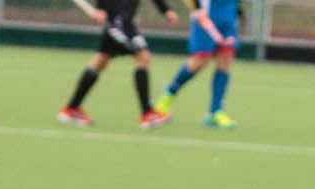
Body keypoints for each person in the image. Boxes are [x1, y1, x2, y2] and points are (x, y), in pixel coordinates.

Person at [57, 0, 176, 130]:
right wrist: (101, 8)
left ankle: (72, 108)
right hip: (119, 20)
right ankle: (148, 114)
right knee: (142, 57)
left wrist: (165, 10)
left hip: (123, 19)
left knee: (101, 61)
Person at [155, 0, 241, 128]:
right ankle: (168, 95)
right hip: (207, 13)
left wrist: (238, 10)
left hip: (229, 12)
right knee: (199, 61)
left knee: (225, 60)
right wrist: (197, 6)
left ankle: (216, 112)